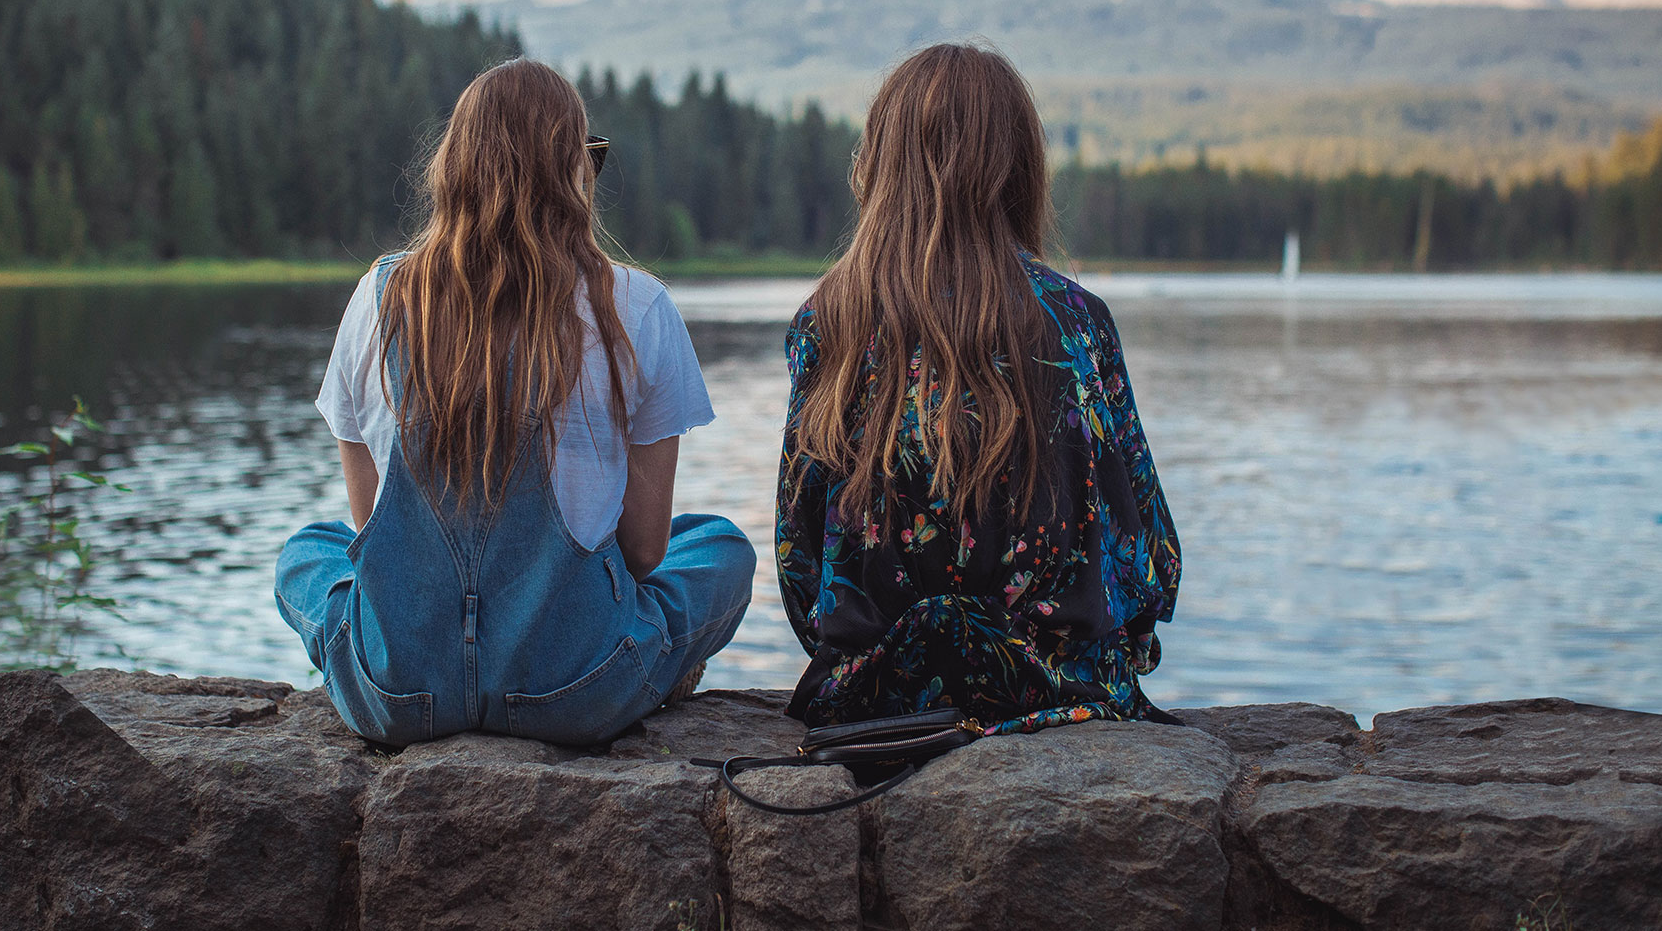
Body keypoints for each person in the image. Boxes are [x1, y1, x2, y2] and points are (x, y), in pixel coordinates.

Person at [275, 59, 754, 746]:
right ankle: (654, 659)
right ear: (573, 174)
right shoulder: (637, 306)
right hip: (574, 692)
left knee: (308, 551)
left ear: (455, 169)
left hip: (401, 694)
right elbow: (646, 551)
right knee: (719, 546)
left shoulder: (380, 298)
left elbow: (370, 533)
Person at [775, 43, 1181, 733]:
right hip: (1055, 688)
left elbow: (800, 561)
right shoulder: (1076, 321)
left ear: (880, 166)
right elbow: (1150, 559)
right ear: (1019, 171)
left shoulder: (827, 321)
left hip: (877, 693)